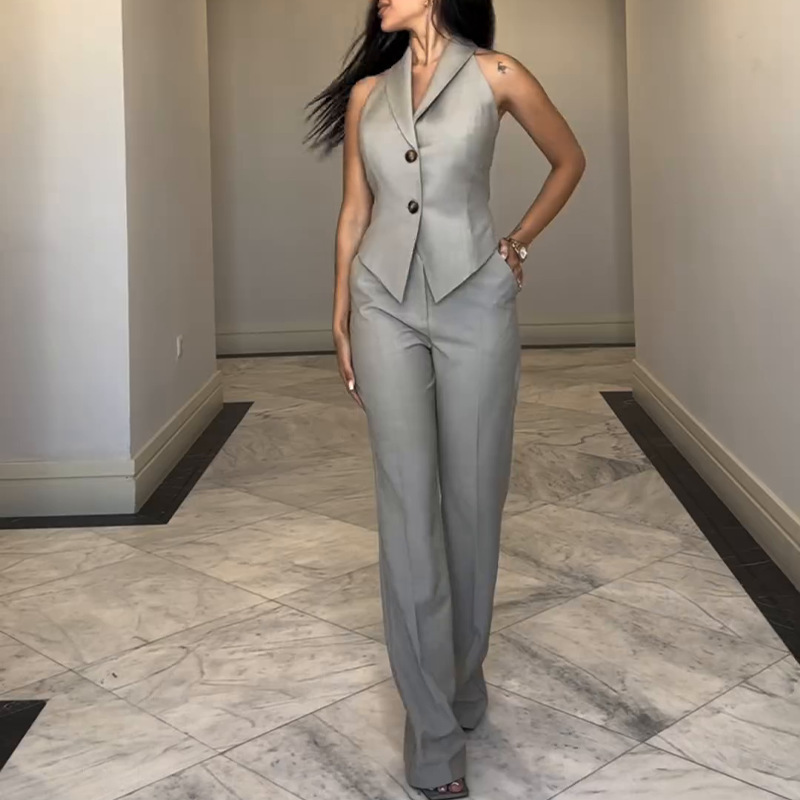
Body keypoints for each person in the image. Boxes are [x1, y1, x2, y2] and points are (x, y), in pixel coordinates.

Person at [305, 1, 585, 796]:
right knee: (407, 512)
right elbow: (356, 210)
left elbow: (569, 160)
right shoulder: (368, 94)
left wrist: (515, 246)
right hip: (383, 305)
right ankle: (432, 736)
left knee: (472, 505)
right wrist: (340, 310)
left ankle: (462, 681)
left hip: (475, 304)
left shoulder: (498, 74)